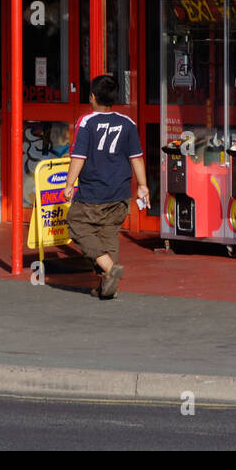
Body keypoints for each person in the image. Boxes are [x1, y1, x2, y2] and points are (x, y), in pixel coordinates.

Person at [63, 74, 148, 300]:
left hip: (93, 192)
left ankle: (110, 269)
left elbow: (78, 157)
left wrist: (70, 183)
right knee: (108, 234)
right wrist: (143, 185)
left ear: (92, 97)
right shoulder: (127, 123)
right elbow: (136, 158)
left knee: (77, 223)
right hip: (119, 193)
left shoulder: (86, 122)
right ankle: (108, 286)